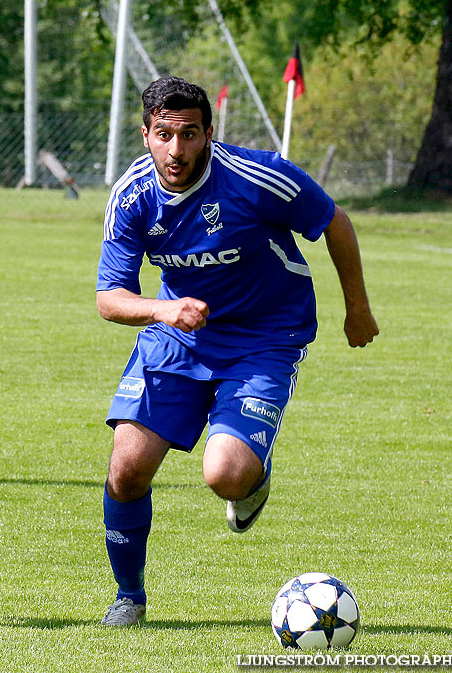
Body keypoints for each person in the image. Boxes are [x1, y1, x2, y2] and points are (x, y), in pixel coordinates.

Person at [96, 77, 379, 626]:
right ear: (146, 134)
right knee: (126, 469)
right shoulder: (130, 196)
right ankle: (129, 597)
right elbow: (110, 298)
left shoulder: (259, 176)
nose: (175, 150)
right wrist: (162, 311)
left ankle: (253, 475)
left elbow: (335, 223)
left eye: (189, 135)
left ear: (208, 134)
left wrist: (357, 309)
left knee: (225, 474)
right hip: (176, 336)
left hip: (266, 337)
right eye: (163, 135)